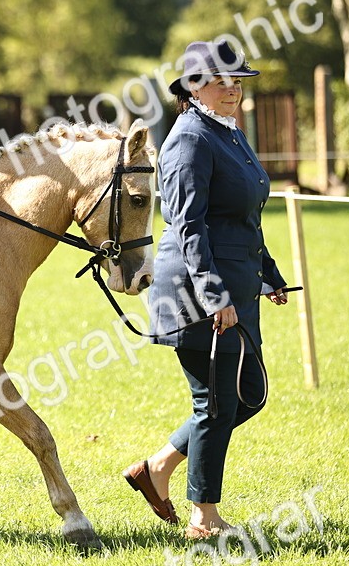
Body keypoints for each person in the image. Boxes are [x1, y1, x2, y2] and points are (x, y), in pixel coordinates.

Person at [123, 40, 290, 539]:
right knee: (217, 403)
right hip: (195, 291)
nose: (234, 89)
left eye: (238, 81)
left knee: (248, 395)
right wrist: (214, 295)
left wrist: (268, 271)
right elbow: (188, 225)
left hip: (236, 284)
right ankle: (204, 517)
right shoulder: (189, 139)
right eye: (223, 80)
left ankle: (157, 468)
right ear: (195, 87)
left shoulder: (229, 133)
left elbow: (242, 218)